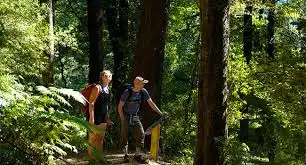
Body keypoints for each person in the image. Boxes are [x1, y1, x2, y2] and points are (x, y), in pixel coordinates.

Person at [118, 76, 165, 163]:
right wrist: (123, 119)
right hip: (126, 116)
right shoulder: (127, 92)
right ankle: (125, 156)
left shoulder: (143, 91)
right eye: (143, 83)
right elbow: (120, 106)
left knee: (141, 134)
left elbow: (151, 103)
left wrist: (160, 113)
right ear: (137, 84)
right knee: (124, 136)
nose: (144, 85)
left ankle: (137, 155)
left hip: (135, 116)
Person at [87, 70, 113, 159]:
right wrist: (91, 117)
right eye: (106, 76)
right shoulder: (98, 88)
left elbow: (106, 105)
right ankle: (91, 160)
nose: (108, 77)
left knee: (100, 139)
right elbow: (91, 103)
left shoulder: (108, 89)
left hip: (103, 117)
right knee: (92, 138)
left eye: (109, 76)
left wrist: (107, 117)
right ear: (101, 77)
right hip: (94, 116)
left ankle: (99, 158)